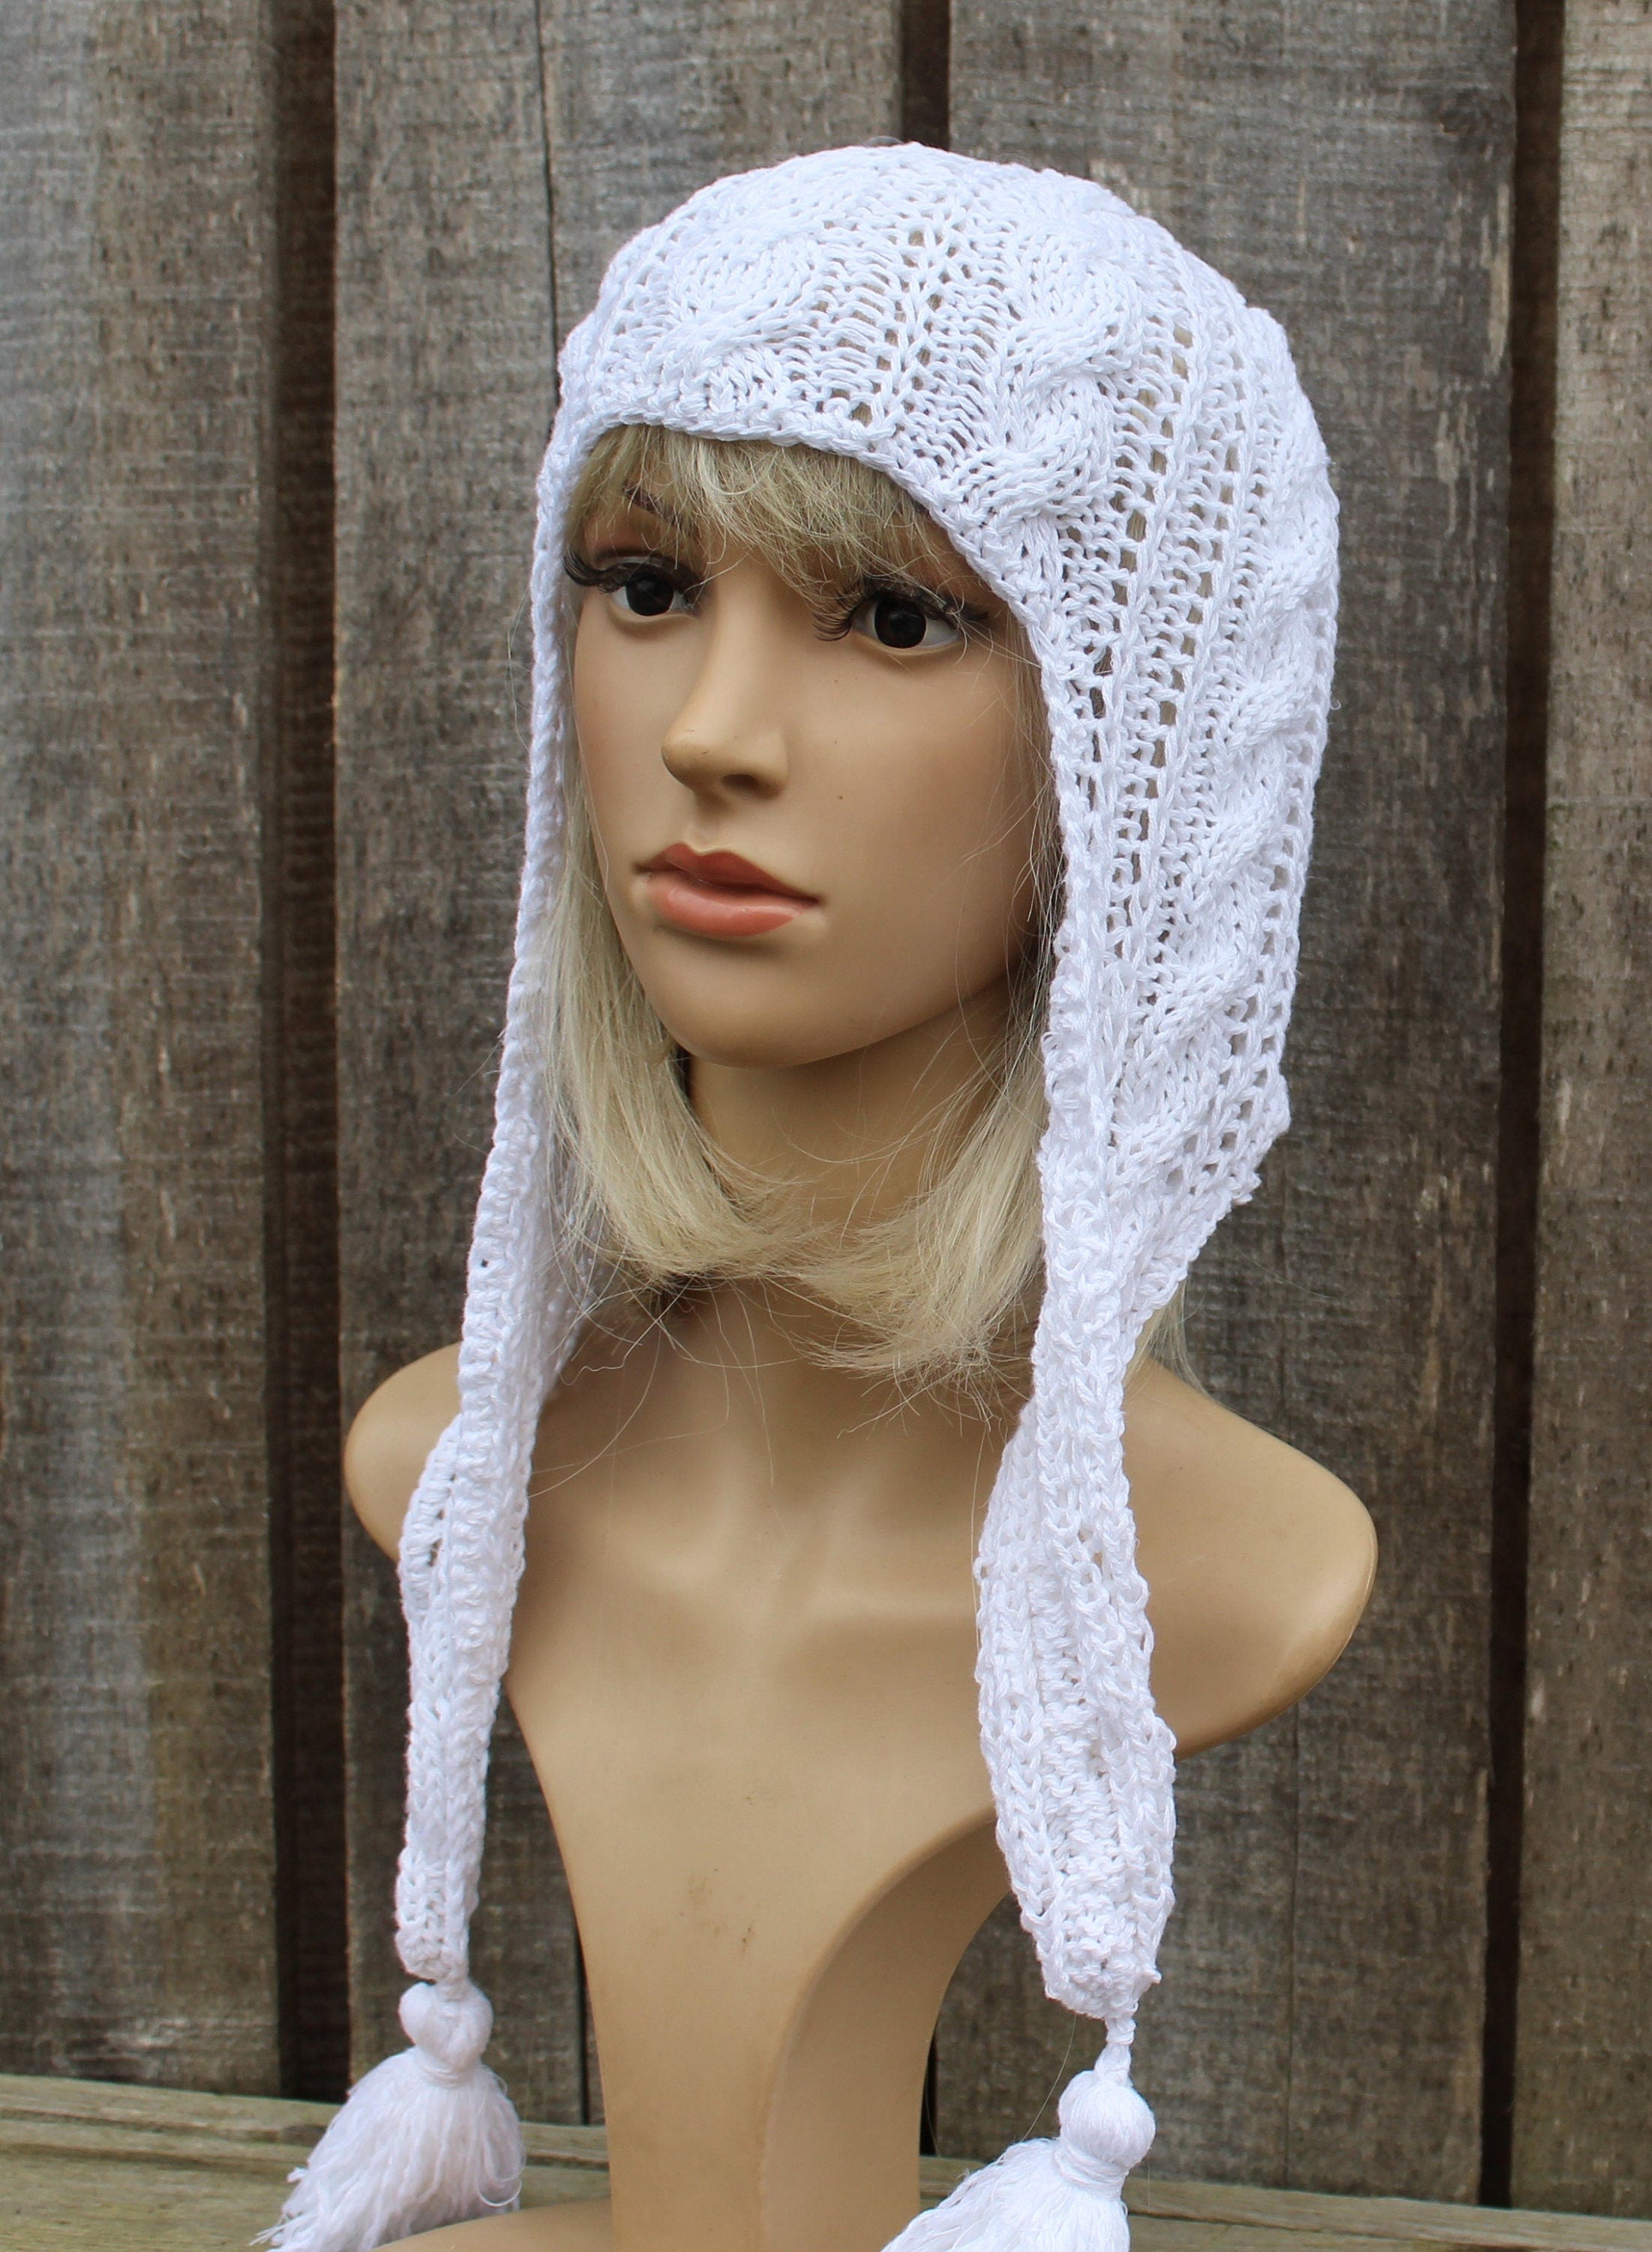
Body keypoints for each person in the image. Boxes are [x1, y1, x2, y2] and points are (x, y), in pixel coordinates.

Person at [269, 143, 1374, 2252]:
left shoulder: (1237, 1577)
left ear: (1135, 749)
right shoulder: (457, 1464)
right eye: (644, 583)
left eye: (892, 614)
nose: (711, 731)